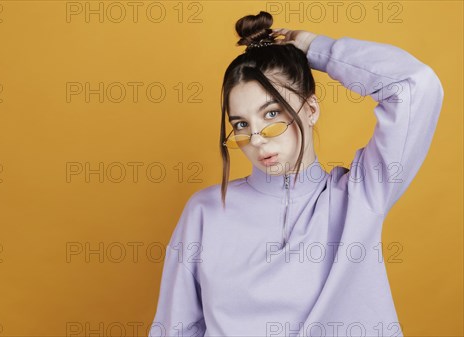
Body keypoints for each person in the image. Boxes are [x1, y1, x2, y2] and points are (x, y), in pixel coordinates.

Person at [148, 10, 444, 337]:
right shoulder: (205, 212)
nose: (257, 139)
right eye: (242, 125)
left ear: (311, 109)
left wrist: (316, 48)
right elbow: (174, 329)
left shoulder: (359, 196)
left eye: (272, 113)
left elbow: (415, 85)